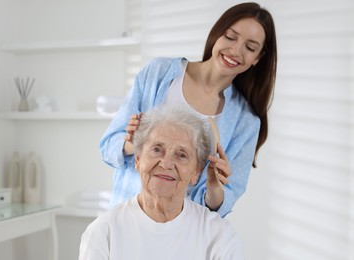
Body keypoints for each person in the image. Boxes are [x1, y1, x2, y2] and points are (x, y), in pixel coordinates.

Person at [99, 2, 277, 217]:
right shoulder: (159, 73)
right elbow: (108, 147)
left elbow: (222, 202)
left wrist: (214, 185)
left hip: (185, 234)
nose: (235, 50)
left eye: (250, 47)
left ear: (258, 58)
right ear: (217, 34)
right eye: (230, 37)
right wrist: (133, 142)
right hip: (129, 217)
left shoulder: (246, 121)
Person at [80, 107, 245, 260]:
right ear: (138, 159)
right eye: (157, 149)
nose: (166, 163)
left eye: (181, 155)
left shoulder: (219, 236)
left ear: (196, 172)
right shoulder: (103, 232)